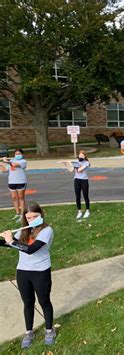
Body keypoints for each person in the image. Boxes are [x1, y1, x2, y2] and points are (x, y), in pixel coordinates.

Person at [0, 202, 56, 348]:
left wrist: (11, 240)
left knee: (44, 301)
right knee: (28, 303)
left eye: (35, 216)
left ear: (41, 215)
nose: (32, 220)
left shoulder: (47, 230)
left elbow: (31, 249)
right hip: (23, 272)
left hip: (41, 271)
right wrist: (6, 240)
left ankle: (49, 330)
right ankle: (29, 331)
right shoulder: (24, 230)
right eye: (29, 218)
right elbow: (11, 244)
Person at [0, 149, 27, 222]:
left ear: (22, 154)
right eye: (16, 154)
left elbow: (14, 165)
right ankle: (17, 213)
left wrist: (6, 161)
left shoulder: (23, 161)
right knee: (14, 197)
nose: (17, 155)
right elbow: (5, 170)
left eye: (19, 153)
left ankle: (22, 214)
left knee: (21, 197)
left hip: (21, 181)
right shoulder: (11, 160)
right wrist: (1, 164)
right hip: (11, 182)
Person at [73, 150, 91, 219]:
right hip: (77, 180)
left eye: (82, 155)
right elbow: (72, 170)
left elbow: (79, 170)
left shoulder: (87, 163)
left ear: (85, 156)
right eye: (80, 155)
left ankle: (87, 210)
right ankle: (79, 211)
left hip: (84, 180)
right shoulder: (76, 162)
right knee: (77, 196)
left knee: (85, 196)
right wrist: (67, 164)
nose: (80, 156)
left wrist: (75, 165)